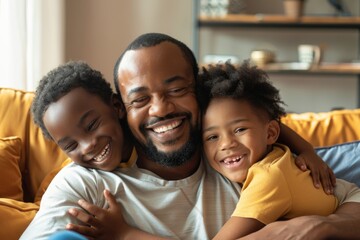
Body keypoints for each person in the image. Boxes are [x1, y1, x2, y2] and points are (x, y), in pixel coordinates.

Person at [20, 33, 360, 240]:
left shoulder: (236, 155)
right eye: (140, 100)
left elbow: (346, 197)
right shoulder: (85, 186)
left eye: (177, 89)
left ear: (200, 92)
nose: (160, 109)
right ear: (121, 108)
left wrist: (318, 226)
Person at [198, 61, 338, 239]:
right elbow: (271, 126)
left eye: (240, 130)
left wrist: (308, 151)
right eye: (212, 137)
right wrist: (306, 150)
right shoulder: (265, 151)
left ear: (271, 133)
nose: (226, 144)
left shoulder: (269, 178)